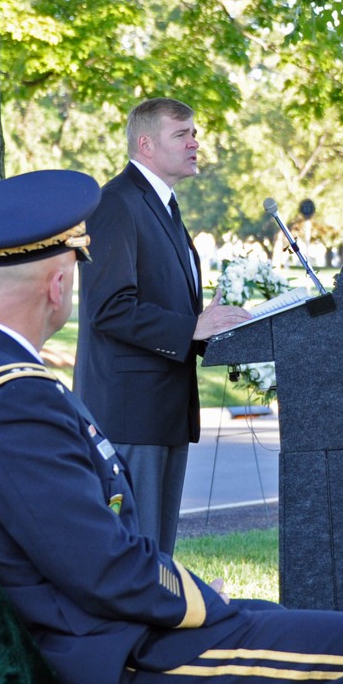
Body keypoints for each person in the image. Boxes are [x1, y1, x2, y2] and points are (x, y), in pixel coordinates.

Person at [0, 170, 343, 684]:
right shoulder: (15, 399)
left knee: (283, 617)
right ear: (58, 284)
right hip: (95, 648)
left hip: (72, 627)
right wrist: (202, 597)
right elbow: (103, 570)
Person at [76, 98, 250, 555]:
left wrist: (211, 325)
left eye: (195, 133)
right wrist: (190, 326)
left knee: (158, 557)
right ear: (146, 144)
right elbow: (109, 308)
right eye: (183, 134)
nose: (196, 143)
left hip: (164, 411)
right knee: (135, 555)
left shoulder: (163, 205)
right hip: (131, 414)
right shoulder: (115, 203)